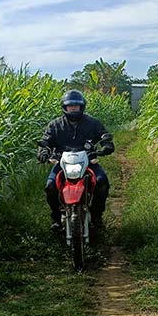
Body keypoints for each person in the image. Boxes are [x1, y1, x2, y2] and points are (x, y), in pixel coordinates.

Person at [37, 89, 114, 231]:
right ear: (65, 107)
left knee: (102, 182)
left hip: (88, 159)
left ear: (81, 106)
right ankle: (56, 218)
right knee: (50, 186)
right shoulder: (55, 125)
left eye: (76, 105)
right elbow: (45, 140)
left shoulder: (92, 123)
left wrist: (107, 145)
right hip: (61, 161)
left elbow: (104, 135)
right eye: (70, 106)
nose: (73, 108)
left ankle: (97, 215)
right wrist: (43, 151)